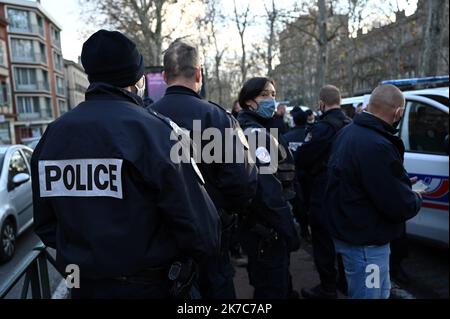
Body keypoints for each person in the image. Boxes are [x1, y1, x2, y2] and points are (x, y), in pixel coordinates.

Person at [30, 30, 221, 299]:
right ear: (137, 78)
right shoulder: (157, 132)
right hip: (150, 287)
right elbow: (199, 225)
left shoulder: (53, 135)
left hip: (85, 287)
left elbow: (46, 224)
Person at [150, 39, 258, 299]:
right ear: (199, 73)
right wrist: (221, 214)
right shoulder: (217, 117)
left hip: (164, 239)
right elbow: (242, 181)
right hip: (213, 236)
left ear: (164, 76)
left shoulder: (145, 119)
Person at [324, 84, 423, 299]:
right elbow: (397, 204)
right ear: (398, 113)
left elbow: (362, 180)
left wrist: (398, 181)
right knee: (371, 294)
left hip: (352, 233)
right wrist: (413, 197)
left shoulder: (347, 132)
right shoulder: (377, 144)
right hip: (366, 243)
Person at [237, 77, 300, 298]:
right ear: (248, 101)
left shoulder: (258, 128)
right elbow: (268, 192)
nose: (271, 100)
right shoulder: (254, 134)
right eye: (264, 95)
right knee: (272, 289)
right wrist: (288, 229)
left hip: (264, 227)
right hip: (266, 229)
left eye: (273, 94)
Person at [296, 85, 351, 299]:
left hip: (323, 192)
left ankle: (328, 288)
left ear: (321, 103)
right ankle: (345, 282)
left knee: (323, 243)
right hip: (345, 193)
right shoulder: (350, 124)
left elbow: (304, 157)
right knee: (343, 241)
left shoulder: (322, 127)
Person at [283, 107, 311, 242]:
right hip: (311, 175)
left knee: (298, 205)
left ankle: (304, 229)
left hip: (294, 176)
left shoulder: (286, 137)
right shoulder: (311, 135)